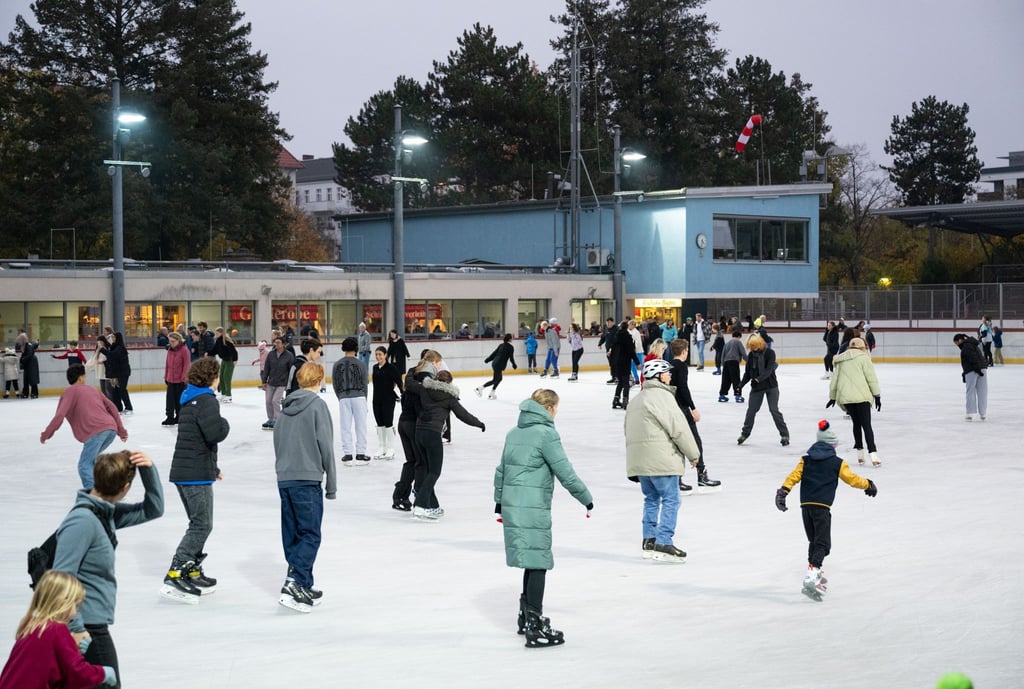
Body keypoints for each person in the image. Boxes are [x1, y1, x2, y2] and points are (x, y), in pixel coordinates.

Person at [53, 449, 164, 688]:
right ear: (125, 488)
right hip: (85, 627)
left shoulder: (104, 514)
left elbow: (153, 509)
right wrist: (76, 630)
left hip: (91, 624)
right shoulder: (83, 521)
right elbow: (61, 578)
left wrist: (148, 470)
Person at [494, 388, 592, 648]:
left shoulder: (514, 432)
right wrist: (585, 498)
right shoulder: (546, 434)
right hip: (532, 506)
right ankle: (535, 626)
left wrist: (499, 502)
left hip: (513, 504)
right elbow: (565, 471)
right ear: (548, 409)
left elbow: (501, 470)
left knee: (531, 559)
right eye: (556, 408)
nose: (556, 412)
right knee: (538, 561)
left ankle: (525, 617)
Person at [775, 419, 877, 601]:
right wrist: (868, 484)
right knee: (823, 544)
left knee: (814, 542)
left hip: (806, 506)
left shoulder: (806, 460)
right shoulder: (837, 463)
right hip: (822, 507)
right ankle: (812, 575)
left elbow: (793, 476)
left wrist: (783, 492)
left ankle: (814, 574)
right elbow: (852, 479)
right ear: (831, 445)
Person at [160, 358, 230, 604]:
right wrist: (225, 424)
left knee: (198, 522)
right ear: (212, 378)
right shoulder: (207, 400)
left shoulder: (189, 399)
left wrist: (213, 467)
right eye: (217, 376)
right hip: (194, 475)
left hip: (187, 471)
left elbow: (195, 440)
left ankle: (191, 569)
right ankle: (176, 571)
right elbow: (214, 433)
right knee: (202, 525)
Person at [274, 362, 336, 613]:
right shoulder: (317, 406)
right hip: (307, 480)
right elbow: (326, 446)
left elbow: (277, 442)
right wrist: (331, 484)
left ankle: (304, 583)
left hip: (285, 479)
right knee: (310, 534)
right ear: (319, 380)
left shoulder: (285, 408)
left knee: (293, 533)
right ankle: (294, 582)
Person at [625, 358, 700, 563]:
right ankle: (664, 542)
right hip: (661, 460)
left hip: (641, 462)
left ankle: (649, 541)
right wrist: (693, 454)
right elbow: (679, 429)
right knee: (671, 499)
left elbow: (628, 432)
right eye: (666, 372)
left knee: (651, 499)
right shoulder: (664, 398)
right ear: (658, 376)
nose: (670, 376)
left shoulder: (635, 401)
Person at [0, 570, 117, 688]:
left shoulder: (32, 626)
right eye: (76, 605)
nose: (75, 612)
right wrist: (103, 673)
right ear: (64, 602)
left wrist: (73, 649)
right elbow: (77, 673)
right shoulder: (57, 631)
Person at [412, 364, 485, 520]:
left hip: (418, 433)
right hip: (432, 435)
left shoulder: (424, 389)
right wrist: (479, 423)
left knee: (427, 471)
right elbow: (463, 415)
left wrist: (415, 371)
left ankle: (432, 505)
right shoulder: (450, 397)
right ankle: (420, 506)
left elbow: (410, 387)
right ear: (450, 382)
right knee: (434, 472)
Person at [40, 363, 128, 489]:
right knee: (91, 461)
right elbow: (112, 407)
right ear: (80, 378)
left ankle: (94, 495)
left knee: (84, 465)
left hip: (95, 432)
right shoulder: (93, 389)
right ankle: (108, 486)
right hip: (110, 430)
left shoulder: (68, 392)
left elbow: (59, 415)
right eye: (84, 376)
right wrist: (121, 430)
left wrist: (46, 434)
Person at [668, 338, 721, 492]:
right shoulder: (681, 366)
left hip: (671, 408)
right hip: (682, 409)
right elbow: (683, 388)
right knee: (695, 441)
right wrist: (693, 408)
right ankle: (701, 475)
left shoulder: (669, 365)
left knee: (676, 443)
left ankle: (677, 478)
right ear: (684, 351)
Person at [392, 350, 440, 511]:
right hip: (413, 424)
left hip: (403, 422)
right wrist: (424, 415)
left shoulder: (413, 374)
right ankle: (421, 499)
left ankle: (400, 496)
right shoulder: (425, 379)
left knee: (412, 461)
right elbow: (418, 402)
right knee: (421, 463)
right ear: (433, 362)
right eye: (438, 363)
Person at [827, 337, 882, 467]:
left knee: (856, 424)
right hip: (862, 397)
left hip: (847, 398)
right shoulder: (864, 358)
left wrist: (833, 397)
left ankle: (860, 455)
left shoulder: (841, 359)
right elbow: (871, 378)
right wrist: (877, 395)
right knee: (866, 425)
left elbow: (835, 380)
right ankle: (873, 455)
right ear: (862, 347)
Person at [737, 333, 790, 446]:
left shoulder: (770, 353)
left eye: (754, 346)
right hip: (757, 388)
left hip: (771, 386)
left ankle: (784, 434)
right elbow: (747, 373)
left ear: (760, 343)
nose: (753, 349)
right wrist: (740, 385)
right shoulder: (751, 355)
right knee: (751, 411)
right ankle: (745, 433)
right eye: (751, 347)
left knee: (774, 410)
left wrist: (757, 379)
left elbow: (769, 370)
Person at [333, 336, 369, 464]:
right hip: (359, 397)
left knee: (345, 426)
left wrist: (340, 397)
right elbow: (365, 383)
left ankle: (348, 453)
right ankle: (360, 453)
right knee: (361, 426)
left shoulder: (337, 364)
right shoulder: (361, 364)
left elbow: (335, 383)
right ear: (356, 348)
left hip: (343, 397)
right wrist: (365, 399)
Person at [371, 345, 402, 459]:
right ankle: (382, 447)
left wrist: (403, 393)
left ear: (385, 355)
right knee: (380, 423)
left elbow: (399, 381)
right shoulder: (375, 367)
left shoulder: (391, 368)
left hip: (388, 399)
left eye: (380, 354)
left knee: (388, 423)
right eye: (376, 354)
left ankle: (390, 448)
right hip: (376, 399)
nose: (378, 356)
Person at [261, 336, 294, 430]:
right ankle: (270, 419)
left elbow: (291, 370)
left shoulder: (289, 355)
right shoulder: (271, 354)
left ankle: (277, 419)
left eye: (278, 342)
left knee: (275, 401)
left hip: (282, 383)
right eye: (275, 342)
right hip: (271, 382)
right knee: (268, 401)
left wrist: (289, 383)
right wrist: (264, 381)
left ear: (283, 344)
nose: (276, 344)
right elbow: (266, 368)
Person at [953, 333, 988, 421]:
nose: (956, 345)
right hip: (982, 369)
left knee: (970, 391)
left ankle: (970, 413)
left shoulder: (966, 346)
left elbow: (973, 358)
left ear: (960, 340)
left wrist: (977, 370)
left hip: (973, 370)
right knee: (982, 391)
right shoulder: (972, 344)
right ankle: (983, 413)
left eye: (956, 343)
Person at [162, 331, 190, 426]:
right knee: (170, 399)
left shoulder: (184, 350)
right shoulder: (170, 350)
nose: (171, 343)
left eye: (173, 341)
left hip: (180, 380)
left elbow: (186, 365)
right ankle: (169, 417)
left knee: (179, 400)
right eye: (170, 341)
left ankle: (179, 416)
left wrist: (184, 378)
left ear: (178, 340)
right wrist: (166, 376)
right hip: (170, 379)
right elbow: (167, 364)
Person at [477, 333, 517, 399]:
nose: (513, 339)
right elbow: (511, 358)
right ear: (509, 339)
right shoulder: (510, 347)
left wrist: (488, 359)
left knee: (499, 379)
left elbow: (494, 354)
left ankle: (492, 393)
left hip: (495, 363)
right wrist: (514, 364)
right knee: (495, 380)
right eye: (512, 338)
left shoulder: (501, 345)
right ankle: (480, 388)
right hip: (499, 365)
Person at [611, 320, 640, 410]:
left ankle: (616, 400)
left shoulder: (616, 336)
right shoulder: (627, 337)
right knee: (626, 382)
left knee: (620, 382)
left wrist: (613, 362)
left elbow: (613, 350)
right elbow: (631, 351)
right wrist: (637, 362)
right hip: (625, 362)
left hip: (617, 362)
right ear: (627, 327)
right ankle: (625, 400)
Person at [103, 333, 132, 414]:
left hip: (123, 372)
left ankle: (129, 407)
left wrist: (102, 350)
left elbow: (112, 355)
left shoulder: (120, 348)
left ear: (117, 338)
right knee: (116, 390)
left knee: (122, 390)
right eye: (112, 337)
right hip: (116, 372)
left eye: (113, 337)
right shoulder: (114, 347)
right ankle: (118, 408)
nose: (112, 339)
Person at [718, 329, 747, 403]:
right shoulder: (738, 342)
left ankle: (722, 395)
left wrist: (723, 363)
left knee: (725, 379)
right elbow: (743, 353)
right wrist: (748, 361)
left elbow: (723, 354)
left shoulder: (727, 343)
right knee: (736, 379)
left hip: (726, 362)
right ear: (739, 336)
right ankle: (738, 395)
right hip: (734, 362)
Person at [212, 327, 238, 402]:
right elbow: (215, 350)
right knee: (221, 377)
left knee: (227, 377)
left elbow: (234, 351)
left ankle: (228, 395)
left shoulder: (226, 341)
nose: (216, 334)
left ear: (221, 333)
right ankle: (223, 394)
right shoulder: (218, 341)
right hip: (224, 360)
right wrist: (208, 352)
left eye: (217, 333)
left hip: (230, 361)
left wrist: (235, 359)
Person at [597, 317, 617, 383]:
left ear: (613, 322)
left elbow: (615, 341)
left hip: (615, 350)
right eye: (607, 322)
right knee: (611, 364)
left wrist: (611, 349)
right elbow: (603, 337)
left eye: (609, 322)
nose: (608, 324)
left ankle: (617, 377)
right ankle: (613, 377)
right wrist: (600, 344)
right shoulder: (606, 330)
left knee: (615, 364)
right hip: (608, 350)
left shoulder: (616, 330)